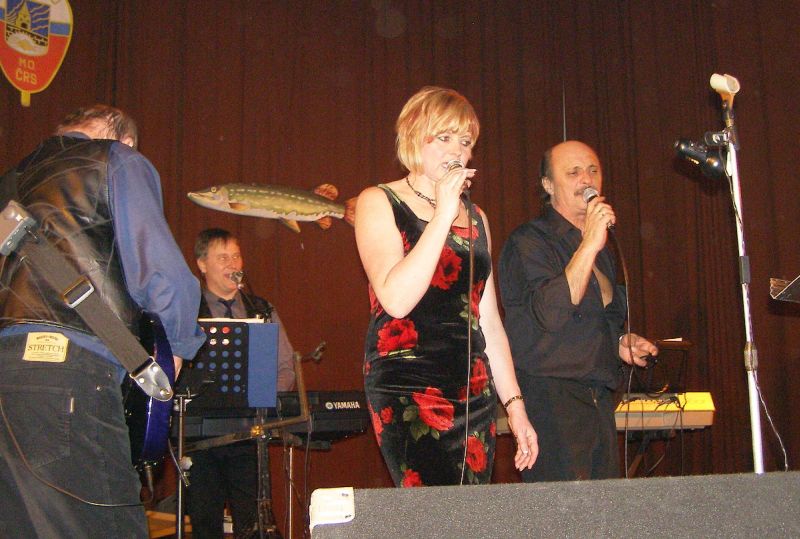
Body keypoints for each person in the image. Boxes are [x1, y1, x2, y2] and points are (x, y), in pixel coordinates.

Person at [0, 105, 205, 537]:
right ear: (123, 137)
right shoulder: (115, 157)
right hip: (72, 368)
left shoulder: (14, 180)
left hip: (7, 368)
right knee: (107, 522)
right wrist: (177, 347)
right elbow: (162, 271)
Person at [355, 86, 538, 487]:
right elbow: (396, 300)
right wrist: (443, 214)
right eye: (444, 137)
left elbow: (488, 323)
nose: (457, 150)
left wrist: (515, 407)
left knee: (469, 513)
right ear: (413, 137)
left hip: (473, 390)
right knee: (432, 511)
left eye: (465, 141)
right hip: (407, 385)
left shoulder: (477, 218)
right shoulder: (379, 201)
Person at [498, 140, 659, 482]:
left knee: (603, 508)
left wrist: (619, 342)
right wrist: (589, 244)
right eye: (573, 172)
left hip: (598, 396)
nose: (586, 179)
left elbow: (595, 319)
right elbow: (550, 313)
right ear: (548, 184)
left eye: (593, 170)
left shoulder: (601, 250)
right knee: (565, 509)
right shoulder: (530, 241)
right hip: (551, 396)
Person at [185, 228, 296, 538]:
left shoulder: (261, 309)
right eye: (223, 257)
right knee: (205, 523)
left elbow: (285, 366)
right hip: (200, 436)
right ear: (202, 264)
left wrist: (264, 401)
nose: (233, 263)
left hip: (249, 435)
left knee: (254, 524)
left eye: (236, 256)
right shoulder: (187, 311)